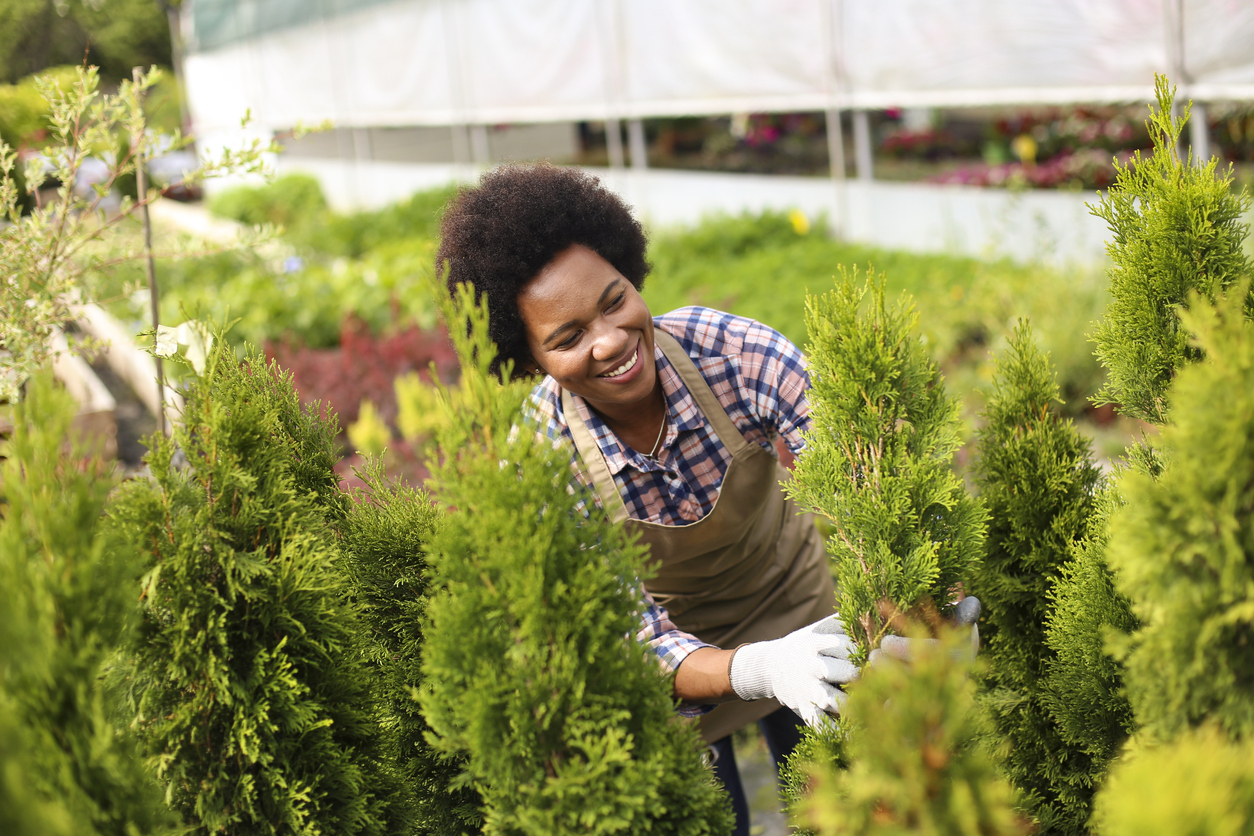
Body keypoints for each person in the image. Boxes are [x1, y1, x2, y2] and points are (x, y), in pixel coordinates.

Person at [436, 163, 880, 834]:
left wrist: (905, 602)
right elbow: (627, 638)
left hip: (804, 618)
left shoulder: (731, 352)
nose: (610, 340)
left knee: (850, 813)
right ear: (530, 362)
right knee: (715, 818)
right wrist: (755, 667)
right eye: (568, 337)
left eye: (613, 302)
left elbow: (860, 471)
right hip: (684, 670)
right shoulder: (543, 459)